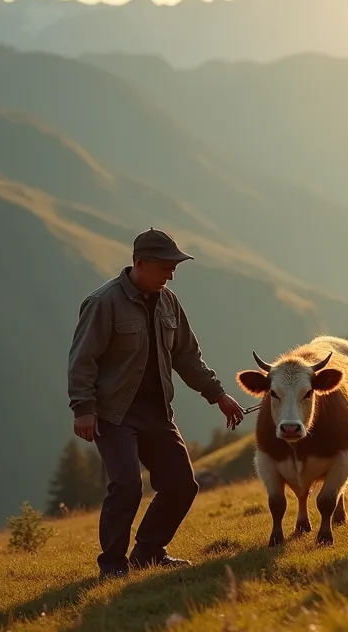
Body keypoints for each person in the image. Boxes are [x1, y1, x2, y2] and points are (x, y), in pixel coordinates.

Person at [66, 227, 246, 579]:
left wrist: (219, 395)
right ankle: (113, 566)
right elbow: (82, 360)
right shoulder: (103, 303)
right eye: (165, 266)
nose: (172, 272)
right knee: (127, 485)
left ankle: (148, 552)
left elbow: (188, 356)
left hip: (158, 412)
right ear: (140, 263)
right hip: (114, 414)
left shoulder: (169, 302)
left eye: (174, 266)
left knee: (181, 484)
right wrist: (83, 408)